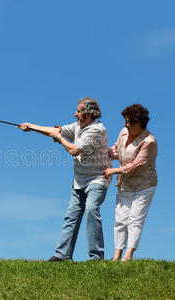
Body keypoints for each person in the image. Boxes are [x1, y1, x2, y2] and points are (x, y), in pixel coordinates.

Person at [19, 97, 112, 261]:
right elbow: (54, 131)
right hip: (79, 179)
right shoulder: (78, 126)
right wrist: (31, 126)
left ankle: (96, 257)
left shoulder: (97, 130)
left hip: (97, 178)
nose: (75, 113)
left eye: (78, 111)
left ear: (88, 113)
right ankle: (62, 256)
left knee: (91, 210)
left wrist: (60, 138)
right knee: (72, 216)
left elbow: (75, 150)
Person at [104, 104, 157, 261]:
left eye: (130, 122)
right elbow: (116, 149)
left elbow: (136, 166)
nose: (126, 125)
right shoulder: (124, 133)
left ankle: (128, 256)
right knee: (120, 220)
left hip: (144, 185)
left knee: (135, 220)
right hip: (125, 185)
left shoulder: (149, 141)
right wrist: (106, 152)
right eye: (125, 121)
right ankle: (116, 256)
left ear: (140, 123)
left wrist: (113, 171)